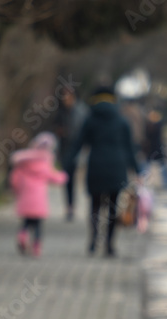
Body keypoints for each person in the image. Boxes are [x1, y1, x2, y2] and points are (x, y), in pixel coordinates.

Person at [68, 84, 141, 258]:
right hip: (117, 167)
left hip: (96, 166)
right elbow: (130, 148)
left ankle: (93, 242)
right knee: (113, 208)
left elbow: (79, 144)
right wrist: (137, 171)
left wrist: (68, 162)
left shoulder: (90, 120)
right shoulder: (122, 121)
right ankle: (109, 245)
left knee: (94, 206)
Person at [9, 132, 67, 258]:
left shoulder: (23, 163)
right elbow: (54, 177)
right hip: (39, 201)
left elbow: (14, 179)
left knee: (26, 222)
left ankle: (22, 235)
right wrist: (63, 177)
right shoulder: (44, 163)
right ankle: (36, 247)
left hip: (25, 199)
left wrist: (16, 190)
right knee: (38, 225)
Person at [52, 88, 87, 221]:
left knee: (72, 178)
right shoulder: (61, 112)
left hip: (76, 149)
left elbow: (82, 130)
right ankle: (69, 205)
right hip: (64, 149)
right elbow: (55, 127)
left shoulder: (80, 111)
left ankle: (72, 205)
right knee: (66, 178)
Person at [143, 108, 167, 190]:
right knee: (146, 167)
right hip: (152, 149)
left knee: (162, 167)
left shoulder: (156, 125)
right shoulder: (149, 126)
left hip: (156, 149)